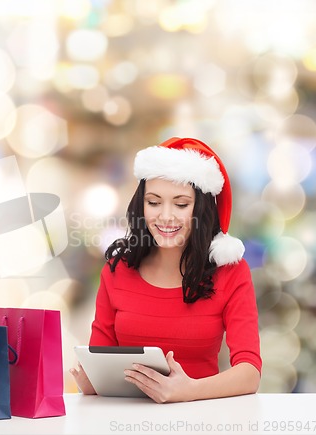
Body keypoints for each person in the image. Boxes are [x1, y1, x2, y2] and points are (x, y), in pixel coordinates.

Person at [70, 137, 261, 403]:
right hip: (123, 421)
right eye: (154, 202)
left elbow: (249, 373)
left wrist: (187, 391)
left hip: (201, 419)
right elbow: (100, 358)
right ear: (141, 205)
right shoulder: (117, 270)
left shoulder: (231, 272)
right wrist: (92, 383)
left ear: (200, 209)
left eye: (181, 204)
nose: (165, 216)